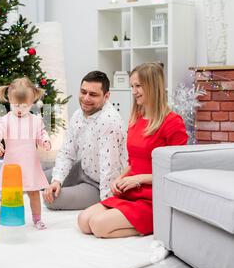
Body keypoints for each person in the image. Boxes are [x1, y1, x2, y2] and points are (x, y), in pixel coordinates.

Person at [78, 62, 188, 238]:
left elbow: (177, 171)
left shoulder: (172, 123)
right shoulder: (136, 118)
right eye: (132, 86)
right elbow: (133, 162)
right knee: (84, 221)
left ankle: (155, 223)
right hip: (129, 190)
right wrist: (119, 178)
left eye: (138, 86)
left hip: (151, 196)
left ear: (152, 86)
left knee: (99, 226)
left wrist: (139, 179)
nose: (134, 91)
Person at [43, 71, 128, 210]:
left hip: (97, 184)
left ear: (106, 96)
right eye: (83, 92)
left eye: (93, 94)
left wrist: (107, 205)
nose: (86, 98)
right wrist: (57, 180)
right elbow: (67, 152)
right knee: (35, 178)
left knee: (51, 200)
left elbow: (109, 170)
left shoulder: (109, 122)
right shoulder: (78, 115)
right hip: (82, 168)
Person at [0, 77, 52, 230]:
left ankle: (37, 219)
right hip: (12, 165)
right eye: (15, 105)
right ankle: (11, 217)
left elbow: (41, 134)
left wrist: (44, 141)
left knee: (34, 193)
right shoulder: (5, 120)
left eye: (24, 106)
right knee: (10, 194)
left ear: (32, 103)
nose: (19, 109)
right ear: (9, 99)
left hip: (30, 164)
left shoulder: (35, 120)